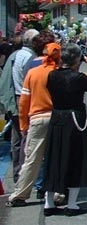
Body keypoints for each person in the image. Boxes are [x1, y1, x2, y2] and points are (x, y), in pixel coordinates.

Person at [44, 43, 87, 216]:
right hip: (75, 119)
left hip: (57, 118)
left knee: (55, 158)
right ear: (77, 59)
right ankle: (72, 204)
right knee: (76, 158)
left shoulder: (52, 75)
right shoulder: (78, 78)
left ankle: (49, 203)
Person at [5, 42, 60, 208]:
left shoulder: (33, 73)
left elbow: (23, 103)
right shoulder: (59, 73)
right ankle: (58, 193)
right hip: (57, 119)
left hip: (37, 119)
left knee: (32, 159)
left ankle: (19, 194)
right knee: (57, 157)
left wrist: (23, 125)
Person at [0, 29, 38, 185]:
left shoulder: (15, 55)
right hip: (24, 98)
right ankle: (25, 175)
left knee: (17, 139)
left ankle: (18, 174)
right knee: (26, 138)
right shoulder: (30, 58)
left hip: (15, 97)